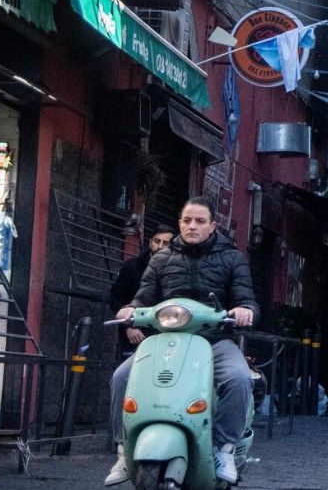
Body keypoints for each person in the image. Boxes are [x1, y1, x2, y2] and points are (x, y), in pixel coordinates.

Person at [105, 197, 259, 486]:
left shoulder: (232, 258)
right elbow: (144, 296)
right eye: (187, 220)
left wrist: (244, 311)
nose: (192, 226)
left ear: (213, 225)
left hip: (213, 340)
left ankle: (224, 449)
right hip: (167, 340)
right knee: (121, 377)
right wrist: (130, 309)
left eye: (200, 221)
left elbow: (246, 299)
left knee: (239, 378)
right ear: (179, 224)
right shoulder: (161, 258)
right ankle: (123, 449)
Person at [108, 224, 175, 360]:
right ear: (150, 242)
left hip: (165, 337)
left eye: (165, 243)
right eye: (157, 241)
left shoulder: (177, 271)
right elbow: (115, 300)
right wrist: (128, 327)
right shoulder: (132, 267)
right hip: (135, 336)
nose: (160, 246)